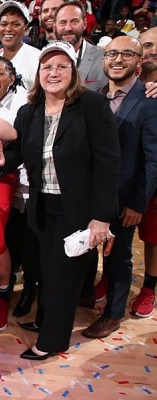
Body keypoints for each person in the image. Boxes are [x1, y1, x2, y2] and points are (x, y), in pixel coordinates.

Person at [0, 40, 120, 360]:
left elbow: (108, 163)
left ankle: (52, 340)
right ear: (38, 73)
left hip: (77, 210)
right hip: (41, 207)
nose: (54, 72)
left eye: (62, 66)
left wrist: (102, 217)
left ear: (73, 72)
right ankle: (47, 321)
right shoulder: (28, 111)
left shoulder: (91, 106)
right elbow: (17, 154)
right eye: (47, 66)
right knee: (46, 271)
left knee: (63, 277)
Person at [81, 36, 157, 339]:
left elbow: (153, 161)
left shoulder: (149, 101)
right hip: (92, 195)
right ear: (103, 60)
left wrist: (138, 204)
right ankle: (88, 296)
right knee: (88, 252)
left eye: (127, 54)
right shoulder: (95, 97)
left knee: (118, 257)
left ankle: (113, 314)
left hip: (125, 200)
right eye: (112, 53)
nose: (118, 59)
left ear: (138, 62)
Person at [0, 55, 39, 317]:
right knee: (8, 237)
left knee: (31, 240)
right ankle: (7, 282)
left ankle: (30, 290)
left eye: (0, 73)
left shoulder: (24, 102)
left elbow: (24, 145)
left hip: (28, 181)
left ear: (12, 78)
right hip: (1, 176)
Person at [131, 27, 157, 318]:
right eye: (147, 45)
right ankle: (111, 278)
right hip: (126, 173)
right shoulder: (127, 81)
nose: (152, 51)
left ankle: (149, 286)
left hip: (153, 174)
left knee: (153, 237)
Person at [54, 1, 108, 92]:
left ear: (84, 24)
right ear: (54, 27)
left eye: (74, 22)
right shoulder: (45, 60)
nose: (68, 28)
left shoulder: (103, 57)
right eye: (62, 23)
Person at [0, 1, 40, 90]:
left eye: (16, 24)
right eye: (4, 24)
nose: (8, 29)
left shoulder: (37, 59)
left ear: (25, 29)